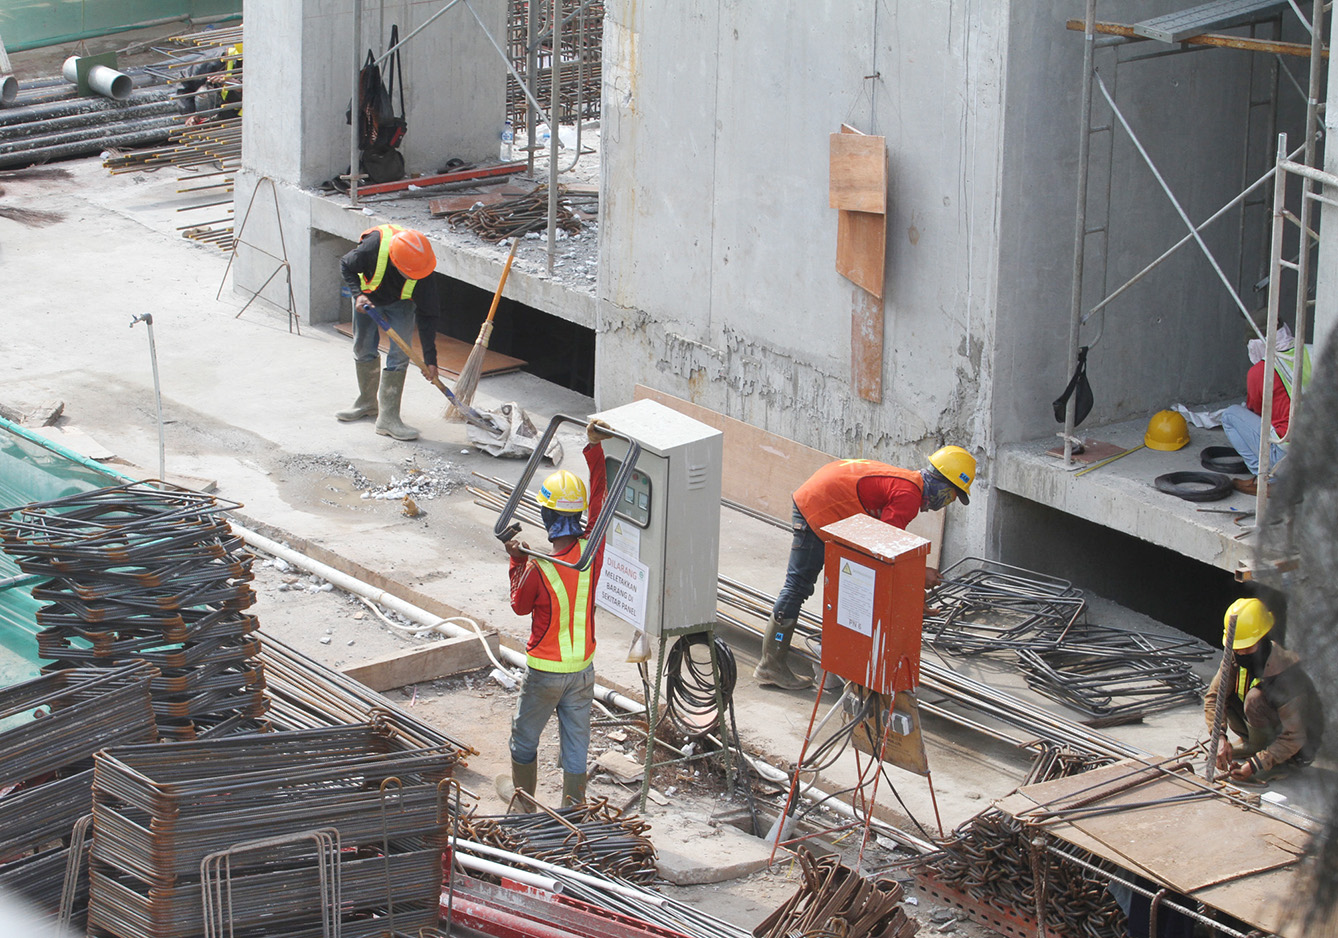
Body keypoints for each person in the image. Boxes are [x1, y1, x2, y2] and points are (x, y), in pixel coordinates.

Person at [757, 446, 977, 690]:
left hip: (823, 498)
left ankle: (828, 653)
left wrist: (915, 581)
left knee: (852, 579)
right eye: (952, 495)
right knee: (798, 586)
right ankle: (771, 665)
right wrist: (916, 581)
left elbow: (883, 545)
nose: (948, 502)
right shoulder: (909, 495)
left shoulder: (908, 483)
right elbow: (884, 548)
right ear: (942, 484)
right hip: (817, 506)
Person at [497, 419, 613, 807]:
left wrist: (516, 561)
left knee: (524, 738)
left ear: (546, 515)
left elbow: (519, 605)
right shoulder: (592, 551)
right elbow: (600, 500)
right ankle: (573, 809)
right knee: (577, 741)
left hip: (546, 670)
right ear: (576, 514)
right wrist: (594, 448)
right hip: (583, 668)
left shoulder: (539, 567)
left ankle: (524, 802)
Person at [336, 224, 441, 441]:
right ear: (395, 261)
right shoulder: (373, 247)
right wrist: (358, 295)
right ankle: (367, 402)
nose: (414, 277)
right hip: (368, 299)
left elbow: (428, 316)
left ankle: (388, 418)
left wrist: (431, 358)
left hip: (401, 304)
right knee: (363, 348)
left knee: (400, 355)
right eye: (409, 274)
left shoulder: (423, 270)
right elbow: (346, 265)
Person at [1204, 597, 1324, 782]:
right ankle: (1253, 745)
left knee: (1254, 699)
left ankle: (1278, 763)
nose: (1241, 653)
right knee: (1229, 694)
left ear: (1263, 638)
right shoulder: (1235, 655)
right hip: (1263, 726)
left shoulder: (1287, 675)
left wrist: (1256, 765)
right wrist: (1219, 738)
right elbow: (1214, 698)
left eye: (1247, 647)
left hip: (1298, 747)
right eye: (1237, 648)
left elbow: (1295, 736)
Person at [1221, 340, 1310, 496]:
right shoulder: (1311, 352)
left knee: (1230, 415)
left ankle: (1267, 480)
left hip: (1288, 457)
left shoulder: (1260, 371)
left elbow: (1255, 410)